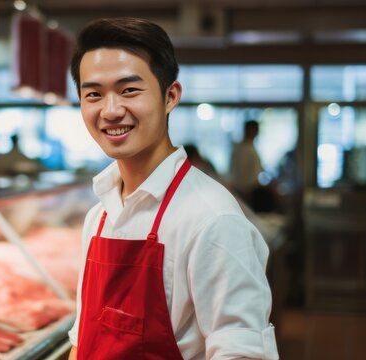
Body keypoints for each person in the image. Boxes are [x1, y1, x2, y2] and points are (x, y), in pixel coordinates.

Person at [66, 18, 278, 359]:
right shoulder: (100, 215)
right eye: (94, 94)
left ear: (170, 96)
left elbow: (242, 353)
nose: (111, 110)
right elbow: (82, 338)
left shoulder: (213, 219)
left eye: (129, 90)